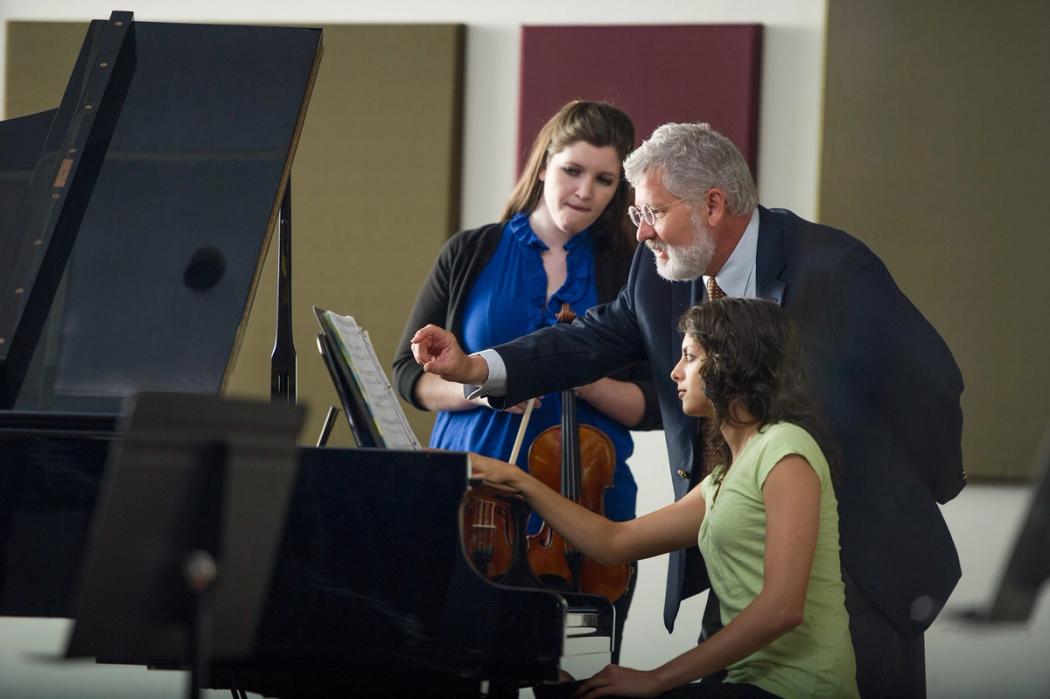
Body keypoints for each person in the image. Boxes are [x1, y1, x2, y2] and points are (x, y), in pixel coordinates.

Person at [410, 122, 965, 697]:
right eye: (636, 216)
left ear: (714, 205)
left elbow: (931, 384)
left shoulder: (834, 267)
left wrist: (915, 486)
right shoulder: (661, 275)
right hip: (732, 548)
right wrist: (477, 369)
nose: (642, 231)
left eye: (652, 212)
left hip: (864, 560)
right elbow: (587, 341)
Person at [472, 298, 859, 698]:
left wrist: (655, 678)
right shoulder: (723, 478)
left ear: (732, 364)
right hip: (748, 684)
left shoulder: (785, 448)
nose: (674, 373)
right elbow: (613, 543)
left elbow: (782, 608)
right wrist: (519, 480)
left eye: (689, 358)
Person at [392, 100, 659, 661]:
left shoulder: (632, 267)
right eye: (573, 171)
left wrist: (578, 377)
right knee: (455, 669)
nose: (586, 191)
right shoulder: (471, 251)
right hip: (475, 498)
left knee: (580, 675)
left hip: (587, 508)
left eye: (605, 179)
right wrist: (481, 386)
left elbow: (654, 404)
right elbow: (409, 375)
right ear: (543, 165)